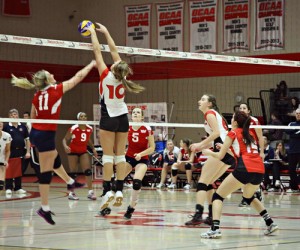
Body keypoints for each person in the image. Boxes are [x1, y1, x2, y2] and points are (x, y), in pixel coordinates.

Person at [11, 59, 96, 225]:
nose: (53, 75)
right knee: (45, 173)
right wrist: (92, 65)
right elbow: (78, 77)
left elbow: (34, 115)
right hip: (45, 135)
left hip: (38, 132)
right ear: (47, 80)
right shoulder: (56, 90)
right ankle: (44, 208)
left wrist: (35, 135)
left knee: (56, 159)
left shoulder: (37, 95)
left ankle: (70, 182)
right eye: (51, 74)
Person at [87, 23, 145, 211]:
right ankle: (119, 190)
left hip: (108, 117)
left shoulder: (106, 74)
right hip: (123, 117)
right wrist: (107, 31)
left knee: (107, 157)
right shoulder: (123, 77)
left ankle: (107, 191)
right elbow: (114, 50)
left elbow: (97, 51)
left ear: (113, 69)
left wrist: (93, 33)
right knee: (121, 156)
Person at [200, 111, 278, 239]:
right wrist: (226, 147)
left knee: (217, 196)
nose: (231, 121)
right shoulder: (250, 134)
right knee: (248, 197)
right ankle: (270, 223)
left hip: (245, 168)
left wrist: (208, 153)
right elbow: (240, 150)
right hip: (259, 168)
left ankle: (215, 229)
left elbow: (220, 156)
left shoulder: (232, 133)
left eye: (232, 119)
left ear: (235, 122)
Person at [185, 94, 235, 226]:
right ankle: (211, 216)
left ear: (210, 103)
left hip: (223, 150)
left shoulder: (210, 113)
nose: (198, 101)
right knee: (208, 182)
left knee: (202, 182)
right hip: (229, 153)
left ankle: (198, 214)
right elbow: (214, 140)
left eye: (202, 99)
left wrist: (200, 145)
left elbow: (216, 134)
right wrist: (199, 146)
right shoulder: (211, 115)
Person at [123, 107, 155, 219]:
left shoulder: (147, 128)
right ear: (131, 116)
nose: (135, 114)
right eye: (134, 112)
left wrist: (140, 154)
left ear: (142, 117)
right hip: (129, 157)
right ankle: (106, 204)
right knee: (117, 180)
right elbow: (122, 142)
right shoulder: (127, 127)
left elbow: (152, 148)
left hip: (142, 158)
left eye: (138, 112)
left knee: (136, 183)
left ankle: (131, 207)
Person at [62, 112, 98, 200]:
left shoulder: (89, 128)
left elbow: (88, 139)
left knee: (88, 171)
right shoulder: (73, 128)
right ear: (78, 119)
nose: (84, 118)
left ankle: (90, 192)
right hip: (73, 151)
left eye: (85, 116)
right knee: (73, 173)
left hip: (83, 151)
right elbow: (64, 139)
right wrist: (66, 146)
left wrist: (93, 149)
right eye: (81, 116)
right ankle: (71, 193)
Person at [238, 103, 264, 207]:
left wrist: (262, 152)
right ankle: (245, 198)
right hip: (242, 151)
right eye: (240, 108)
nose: (242, 110)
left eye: (244, 108)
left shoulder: (254, 121)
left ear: (249, 111)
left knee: (253, 173)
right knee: (243, 174)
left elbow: (260, 137)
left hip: (253, 151)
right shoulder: (237, 121)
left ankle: (256, 192)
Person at [3, 109, 30, 195]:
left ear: (18, 116)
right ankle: (8, 187)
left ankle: (18, 187)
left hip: (21, 151)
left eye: (15, 114)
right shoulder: (6, 127)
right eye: (12, 115)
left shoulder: (23, 126)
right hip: (10, 151)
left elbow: (27, 140)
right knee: (9, 169)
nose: (14, 116)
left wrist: (28, 152)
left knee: (19, 170)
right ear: (9, 117)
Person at [285, 108, 300, 193]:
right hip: (292, 151)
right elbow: (287, 131)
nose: (298, 115)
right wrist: (297, 130)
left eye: (299, 113)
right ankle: (294, 187)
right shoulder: (291, 123)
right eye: (297, 113)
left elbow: (295, 134)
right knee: (291, 170)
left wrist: (293, 132)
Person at [0, 120, 12, 191]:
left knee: (1, 185)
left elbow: (7, 150)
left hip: (1, 160)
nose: (0, 123)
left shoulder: (7, 136)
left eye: (1, 122)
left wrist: (6, 161)